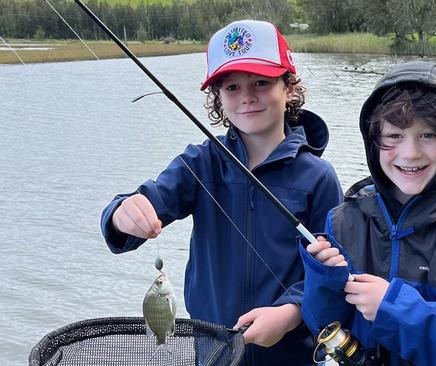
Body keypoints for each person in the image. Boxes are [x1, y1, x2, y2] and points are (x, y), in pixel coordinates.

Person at [100, 19, 343, 365]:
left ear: (288, 88)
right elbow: (142, 206)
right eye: (231, 87)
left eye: (261, 82)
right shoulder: (199, 164)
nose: (247, 97)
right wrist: (121, 214)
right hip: (212, 351)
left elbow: (332, 271)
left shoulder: (319, 177)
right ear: (217, 97)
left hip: (292, 354)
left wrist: (291, 312)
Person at [299, 61, 436, 365]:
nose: (411, 153)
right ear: (373, 141)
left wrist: (393, 309)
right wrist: (323, 279)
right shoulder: (341, 221)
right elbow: (320, 324)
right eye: (394, 136)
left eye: (428, 135)